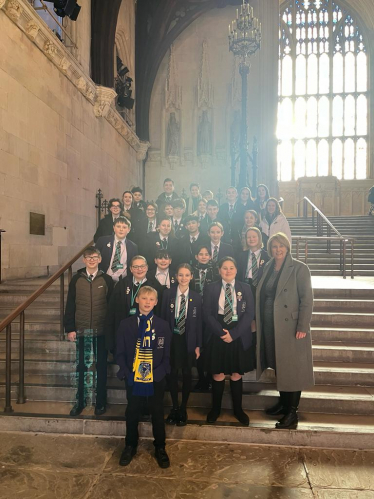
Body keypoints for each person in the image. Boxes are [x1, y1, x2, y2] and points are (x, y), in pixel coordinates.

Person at [256, 232, 314, 429]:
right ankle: (283, 403)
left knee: (293, 368)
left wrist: (303, 326)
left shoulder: (299, 268)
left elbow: (307, 299)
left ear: (287, 247)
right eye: (274, 246)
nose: (277, 250)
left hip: (290, 327)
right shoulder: (267, 267)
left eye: (281, 246)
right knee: (280, 365)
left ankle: (292, 412)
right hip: (270, 326)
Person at [116, 286, 171, 468]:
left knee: (157, 412)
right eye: (144, 298)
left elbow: (167, 355)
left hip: (155, 378)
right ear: (137, 299)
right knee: (132, 411)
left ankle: (160, 447)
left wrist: (159, 374)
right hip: (134, 377)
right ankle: (130, 445)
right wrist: (126, 372)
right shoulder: (126, 324)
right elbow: (121, 352)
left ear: (156, 302)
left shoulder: (162, 325)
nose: (147, 302)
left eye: (151, 299)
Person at [203, 257, 255, 425]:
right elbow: (207, 313)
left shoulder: (245, 288)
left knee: (236, 373)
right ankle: (215, 409)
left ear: (236, 270)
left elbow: (249, 314)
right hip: (217, 330)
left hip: (238, 332)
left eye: (231, 268)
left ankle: (238, 410)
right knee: (217, 373)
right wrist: (220, 332)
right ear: (219, 270)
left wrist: (234, 334)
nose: (228, 271)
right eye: (224, 268)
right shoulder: (211, 288)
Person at [64, 247, 114, 417]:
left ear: (100, 259)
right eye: (88, 257)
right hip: (82, 331)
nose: (92, 260)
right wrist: (69, 328)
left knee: (101, 367)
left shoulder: (107, 279)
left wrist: (109, 329)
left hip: (100, 331)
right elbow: (70, 304)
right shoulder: (76, 279)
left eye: (95, 257)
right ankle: (80, 402)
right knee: (82, 367)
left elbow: (111, 307)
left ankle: (100, 402)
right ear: (84, 260)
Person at [162, 264, 202, 426]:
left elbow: (199, 324)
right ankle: (175, 406)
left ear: (192, 276)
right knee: (172, 374)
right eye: (180, 275)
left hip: (188, 340)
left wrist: (198, 345)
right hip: (172, 339)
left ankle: (184, 407)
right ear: (176, 277)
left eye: (187, 275)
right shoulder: (167, 294)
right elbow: (163, 318)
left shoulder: (197, 297)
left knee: (186, 374)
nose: (183, 278)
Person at [105, 256, 163, 352]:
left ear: (147, 267)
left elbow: (160, 313)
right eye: (136, 267)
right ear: (131, 269)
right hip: (125, 332)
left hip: (147, 334)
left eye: (142, 266)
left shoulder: (156, 286)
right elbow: (111, 312)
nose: (139, 269)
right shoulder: (121, 285)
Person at [191, 245, 218, 391]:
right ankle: (201, 377)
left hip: (211, 313)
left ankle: (210, 377)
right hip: (194, 312)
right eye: (200, 254)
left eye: (206, 254)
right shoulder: (191, 271)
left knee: (209, 345)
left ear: (210, 256)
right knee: (198, 345)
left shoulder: (216, 272)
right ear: (196, 256)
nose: (203, 256)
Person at [95, 216, 138, 282]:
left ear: (128, 230)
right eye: (118, 226)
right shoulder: (102, 241)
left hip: (123, 281)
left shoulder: (133, 246)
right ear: (114, 228)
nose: (121, 229)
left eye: (124, 227)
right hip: (104, 279)